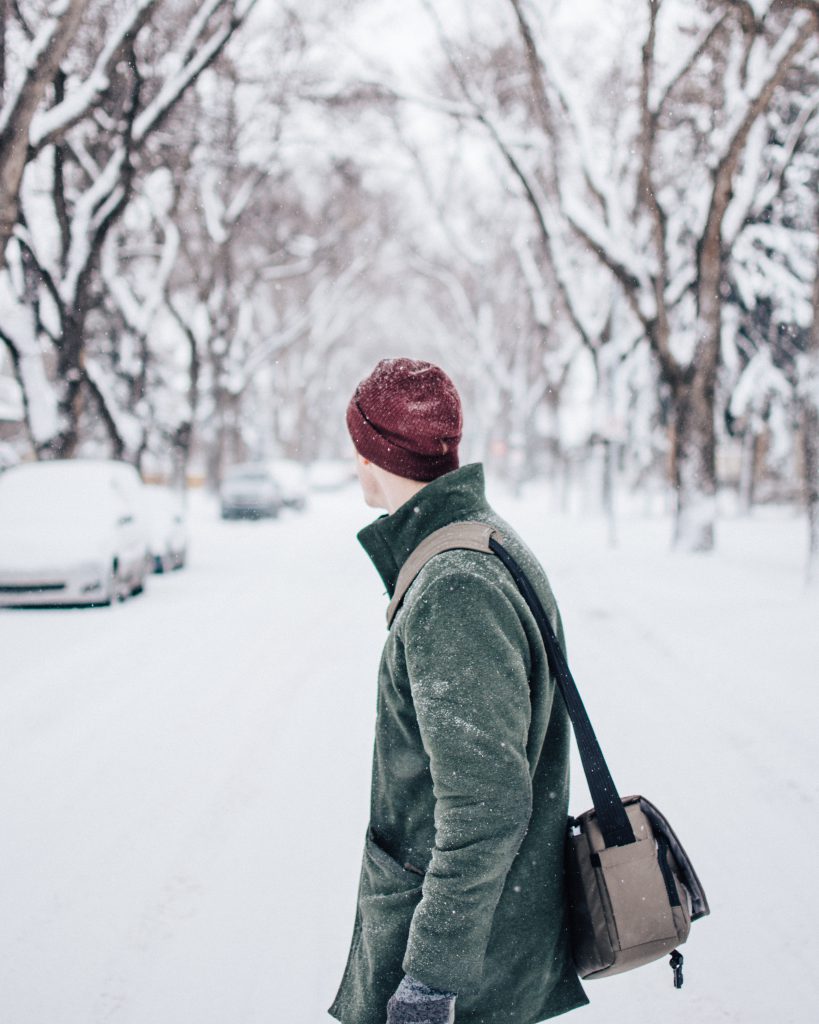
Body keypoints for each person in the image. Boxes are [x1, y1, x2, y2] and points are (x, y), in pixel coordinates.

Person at [329, 358, 588, 1024]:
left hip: (468, 977)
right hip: (490, 950)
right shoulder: (481, 542)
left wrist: (429, 981)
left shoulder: (455, 586)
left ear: (369, 452)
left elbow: (487, 806)